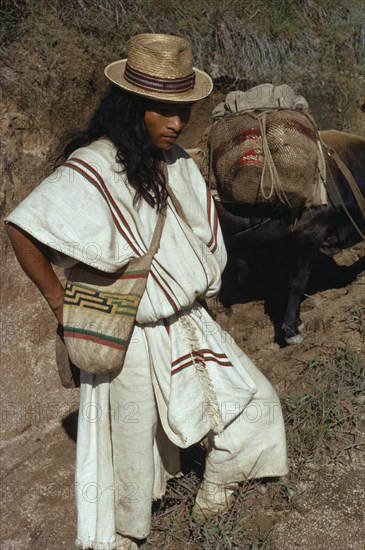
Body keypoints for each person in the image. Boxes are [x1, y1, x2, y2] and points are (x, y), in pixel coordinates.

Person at [5, 34, 288, 550]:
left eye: (183, 110)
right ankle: (128, 532)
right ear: (133, 107)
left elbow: (201, 236)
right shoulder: (94, 167)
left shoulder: (176, 160)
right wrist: (58, 302)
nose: (177, 122)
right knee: (131, 451)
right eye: (164, 111)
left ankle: (215, 490)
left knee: (258, 403)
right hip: (129, 330)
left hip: (188, 319)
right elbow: (22, 227)